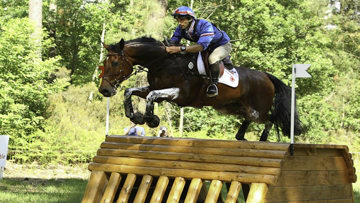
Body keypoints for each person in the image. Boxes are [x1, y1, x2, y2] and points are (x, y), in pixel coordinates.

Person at [166, 6, 234, 97]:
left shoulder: (204, 25)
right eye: (178, 20)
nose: (180, 23)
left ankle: (214, 85)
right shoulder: (181, 28)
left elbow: (201, 46)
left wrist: (179, 49)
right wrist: (167, 45)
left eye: (182, 20)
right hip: (207, 46)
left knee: (212, 58)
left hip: (222, 45)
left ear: (190, 19)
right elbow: (175, 39)